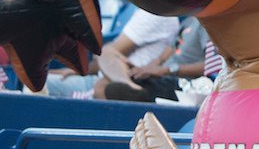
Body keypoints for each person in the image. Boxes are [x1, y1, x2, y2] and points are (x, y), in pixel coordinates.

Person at [44, 8, 179, 99]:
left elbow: (108, 52)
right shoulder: (145, 10)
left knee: (40, 84)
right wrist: (79, 71)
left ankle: (127, 85)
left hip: (118, 83)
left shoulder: (155, 13)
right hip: (104, 77)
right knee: (39, 81)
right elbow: (104, 58)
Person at [103, 17, 209, 102]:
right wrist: (143, 69)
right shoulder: (188, 21)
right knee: (112, 77)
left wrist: (167, 70)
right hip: (163, 77)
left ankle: (138, 93)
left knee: (109, 88)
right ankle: (135, 88)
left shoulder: (206, 23)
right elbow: (163, 56)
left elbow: (211, 65)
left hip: (183, 85)